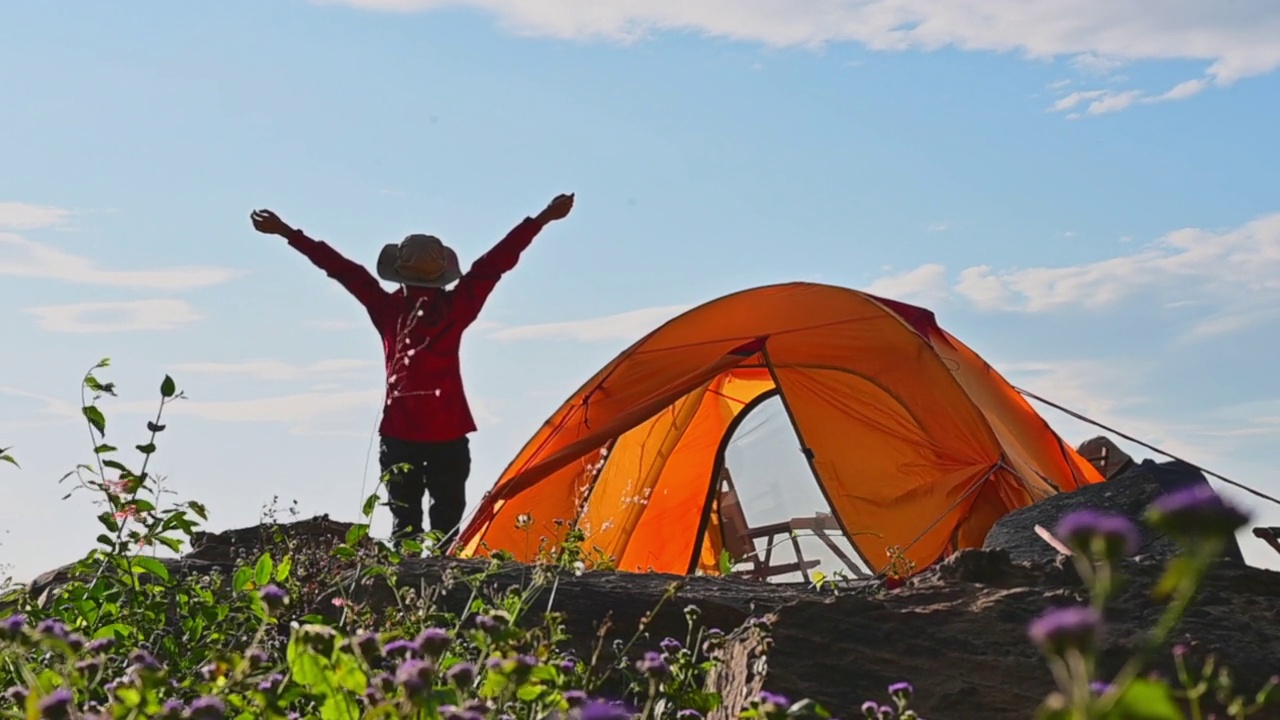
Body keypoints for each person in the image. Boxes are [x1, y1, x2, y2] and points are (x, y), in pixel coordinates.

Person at [249, 193, 576, 551]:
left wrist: (286, 232)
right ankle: (444, 590)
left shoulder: (387, 308)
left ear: (399, 272)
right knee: (447, 529)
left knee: (404, 527)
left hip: (399, 431)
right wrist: (543, 218)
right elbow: (494, 264)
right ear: (442, 274)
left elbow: (340, 268)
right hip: (449, 430)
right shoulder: (457, 307)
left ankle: (405, 591)